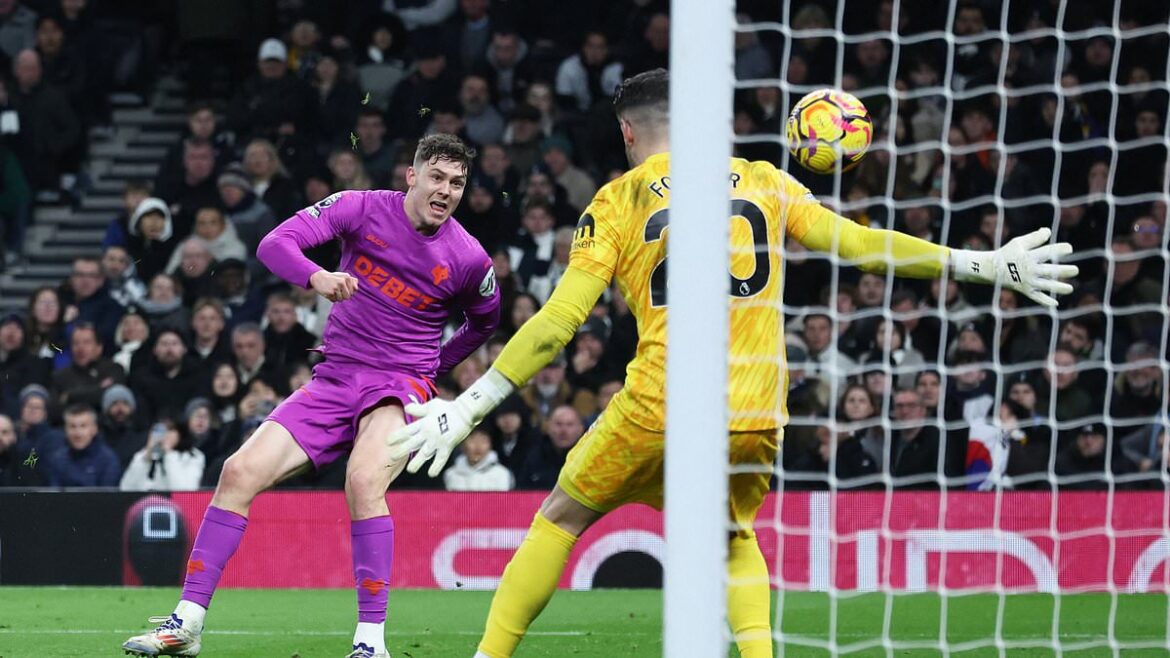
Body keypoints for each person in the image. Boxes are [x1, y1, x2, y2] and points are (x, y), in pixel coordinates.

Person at [387, 69, 1079, 658]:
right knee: (731, 535)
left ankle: (487, 656)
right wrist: (984, 263)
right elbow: (863, 246)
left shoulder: (618, 200)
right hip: (754, 408)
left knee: (560, 518)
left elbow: (560, 323)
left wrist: (470, 402)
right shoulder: (763, 180)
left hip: (657, 406)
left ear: (628, 134)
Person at [121, 134, 500, 658]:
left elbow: (486, 322)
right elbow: (274, 244)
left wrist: (434, 369)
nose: (446, 191)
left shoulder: (468, 257)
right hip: (336, 378)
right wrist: (317, 277)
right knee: (237, 472)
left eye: (457, 183)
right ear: (410, 176)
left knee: (364, 480)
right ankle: (185, 625)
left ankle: (370, 645)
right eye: (437, 177)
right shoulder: (359, 207)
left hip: (398, 386)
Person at [42, 403, 121, 487]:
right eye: (72, 426)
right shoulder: (58, 460)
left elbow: (109, 497)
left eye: (83, 426)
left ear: (94, 429)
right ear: (65, 430)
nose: (77, 433)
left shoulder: (107, 460)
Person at [119, 418, 206, 492]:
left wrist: (168, 454)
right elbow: (126, 489)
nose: (164, 435)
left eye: (170, 430)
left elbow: (185, 491)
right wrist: (145, 459)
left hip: (179, 506)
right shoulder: (143, 456)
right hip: (149, 506)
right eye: (160, 430)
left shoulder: (194, 456)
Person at [442, 426, 514, 491]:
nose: (478, 446)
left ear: (490, 445)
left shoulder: (501, 474)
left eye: (483, 441)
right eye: (473, 440)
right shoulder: (451, 474)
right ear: (463, 444)